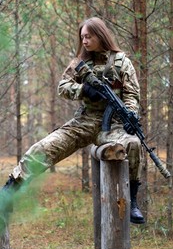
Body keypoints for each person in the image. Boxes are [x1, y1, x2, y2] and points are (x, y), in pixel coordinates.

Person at [1, 17, 144, 224]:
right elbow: (62, 87)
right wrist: (83, 89)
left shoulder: (121, 61)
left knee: (134, 144)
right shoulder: (79, 63)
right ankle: (9, 192)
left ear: (100, 35)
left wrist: (130, 113)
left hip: (115, 124)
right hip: (84, 122)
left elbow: (132, 94)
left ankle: (132, 202)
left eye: (89, 36)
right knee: (45, 146)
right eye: (82, 37)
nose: (84, 41)